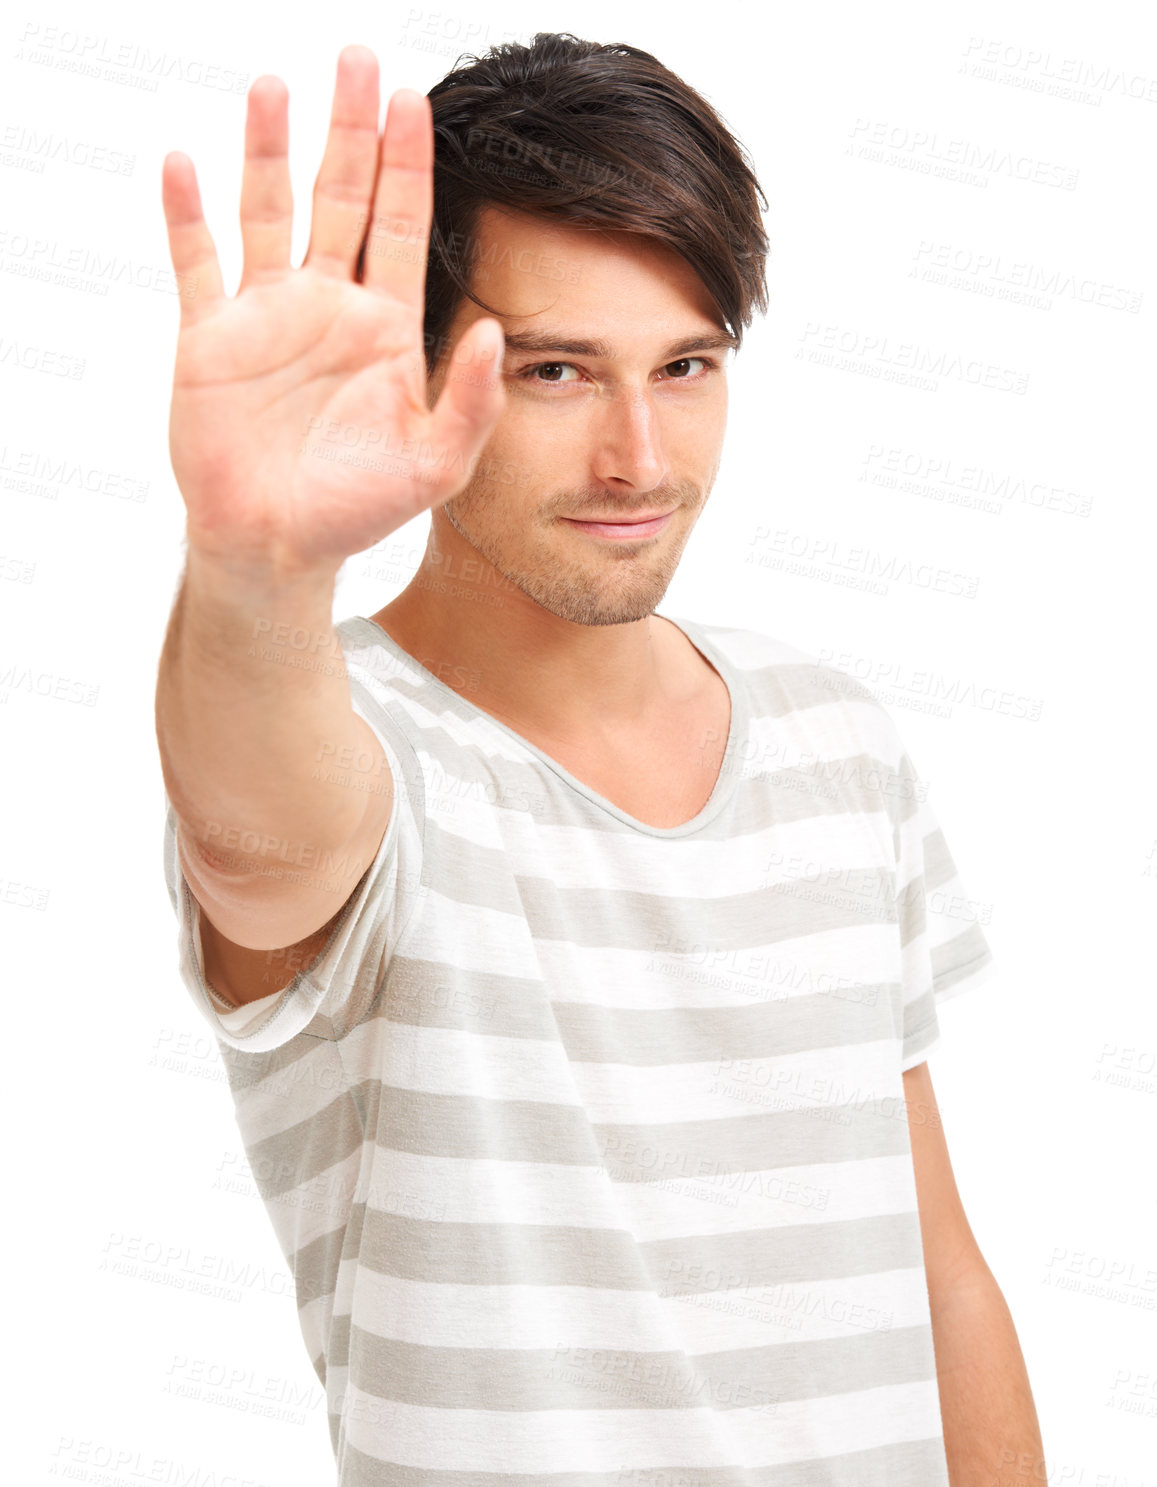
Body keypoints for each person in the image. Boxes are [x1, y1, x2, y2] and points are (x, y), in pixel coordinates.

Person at [155, 32, 1044, 1485]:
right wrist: (252, 565)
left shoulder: (837, 737)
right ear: (421, 363)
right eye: (559, 372)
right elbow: (260, 841)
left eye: (685, 366)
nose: (640, 456)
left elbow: (935, 1270)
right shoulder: (367, 754)